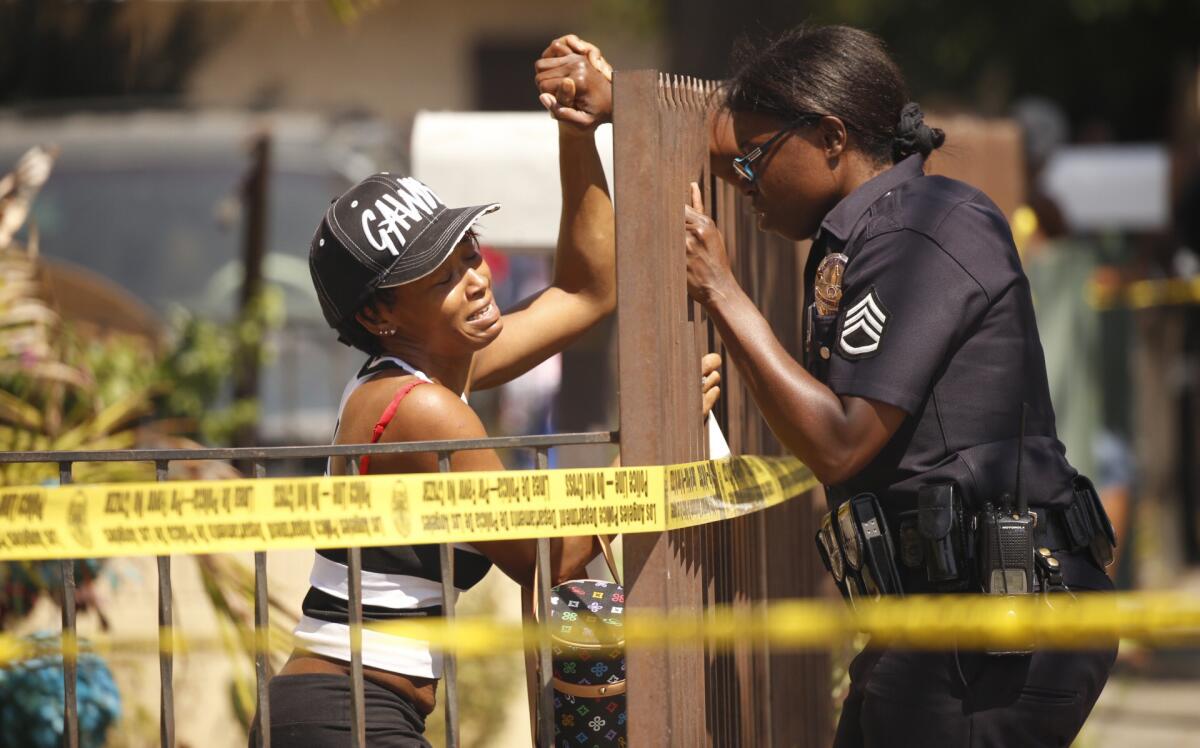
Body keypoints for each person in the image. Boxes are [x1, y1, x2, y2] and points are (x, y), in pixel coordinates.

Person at [253, 36, 720, 747]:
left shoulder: (421, 375)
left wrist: (576, 133)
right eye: (442, 276)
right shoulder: (423, 410)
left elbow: (587, 291)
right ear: (379, 316)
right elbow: (547, 558)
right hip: (343, 715)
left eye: (468, 250)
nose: (475, 277)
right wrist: (659, 440)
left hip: (348, 708)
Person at [680, 25, 1118, 748]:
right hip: (944, 627)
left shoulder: (924, 229)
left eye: (752, 162)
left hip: (997, 632)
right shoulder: (874, 231)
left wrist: (724, 294)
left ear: (829, 136)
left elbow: (840, 440)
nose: (741, 188)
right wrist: (606, 117)